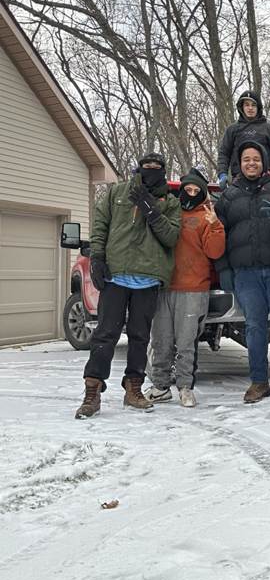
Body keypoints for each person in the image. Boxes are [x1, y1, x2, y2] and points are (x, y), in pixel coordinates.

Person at [75, 153, 182, 419]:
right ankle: (92, 391)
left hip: (148, 278)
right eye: (147, 167)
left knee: (140, 337)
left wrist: (151, 210)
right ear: (138, 168)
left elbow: (171, 237)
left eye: (157, 168)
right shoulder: (118, 193)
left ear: (164, 171)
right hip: (116, 274)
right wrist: (97, 256)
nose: (151, 171)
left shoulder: (170, 202)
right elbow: (101, 224)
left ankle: (133, 389)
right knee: (105, 334)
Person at [214, 140, 270, 403]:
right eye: (246, 159)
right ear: (239, 164)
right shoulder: (229, 196)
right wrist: (223, 267)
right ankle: (259, 382)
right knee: (254, 328)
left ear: (264, 161)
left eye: (256, 158)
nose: (251, 163)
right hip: (246, 273)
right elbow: (217, 233)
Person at [145, 168, 226, 408]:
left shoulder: (207, 216)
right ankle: (160, 387)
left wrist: (215, 225)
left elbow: (215, 252)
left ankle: (185, 388)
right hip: (164, 287)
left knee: (186, 343)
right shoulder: (169, 212)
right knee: (160, 340)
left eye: (196, 191)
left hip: (193, 289)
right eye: (187, 190)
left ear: (203, 193)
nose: (191, 194)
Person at [217, 90, 270, 189]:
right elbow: (224, 153)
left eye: (253, 105)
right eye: (247, 105)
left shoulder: (269, 129)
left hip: (266, 179)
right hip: (239, 180)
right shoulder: (232, 130)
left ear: (258, 107)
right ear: (242, 107)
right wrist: (222, 174)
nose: (250, 108)